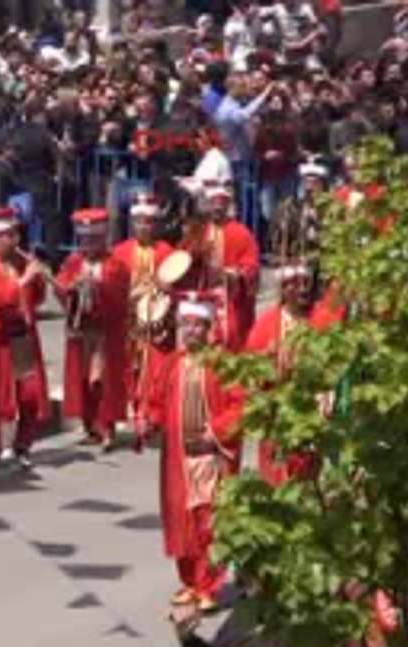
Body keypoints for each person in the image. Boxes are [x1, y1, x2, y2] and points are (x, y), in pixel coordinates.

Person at [145, 295, 242, 613]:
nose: (191, 331)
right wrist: (150, 419)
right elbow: (156, 399)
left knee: (209, 523)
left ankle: (210, 586)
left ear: (209, 328)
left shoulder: (222, 364)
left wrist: (217, 431)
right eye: (186, 324)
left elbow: (239, 406)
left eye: (198, 325)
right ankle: (190, 582)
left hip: (211, 455)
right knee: (180, 521)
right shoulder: (172, 362)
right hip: (178, 457)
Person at [241, 264, 344, 487]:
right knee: (276, 480)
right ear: (284, 290)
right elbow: (250, 373)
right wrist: (268, 364)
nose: (303, 290)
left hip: (312, 413)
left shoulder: (324, 319)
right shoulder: (265, 325)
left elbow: (338, 362)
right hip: (276, 415)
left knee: (307, 482)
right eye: (296, 285)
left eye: (307, 284)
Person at [0, 207, 52, 469]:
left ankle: (23, 444)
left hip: (23, 337)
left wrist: (39, 279)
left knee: (29, 393)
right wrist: (23, 281)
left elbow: (36, 299)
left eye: (17, 234)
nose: (17, 241)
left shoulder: (20, 261)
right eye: (11, 235)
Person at [55, 208, 132, 450]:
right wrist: (71, 289)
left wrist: (98, 287)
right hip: (81, 330)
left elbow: (120, 295)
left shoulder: (115, 265)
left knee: (103, 381)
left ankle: (106, 427)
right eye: (84, 239)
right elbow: (61, 289)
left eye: (93, 239)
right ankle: (90, 426)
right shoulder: (73, 263)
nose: (88, 244)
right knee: (81, 379)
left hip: (105, 331)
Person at [113, 195, 175, 437]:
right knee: (129, 368)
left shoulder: (167, 251)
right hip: (128, 320)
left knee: (155, 368)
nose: (143, 226)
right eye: (139, 221)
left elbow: (174, 286)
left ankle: (152, 414)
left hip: (156, 322)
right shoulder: (120, 252)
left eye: (148, 222)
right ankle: (132, 410)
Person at [186, 180, 260, 351]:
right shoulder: (198, 231)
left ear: (228, 206)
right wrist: (194, 256)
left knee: (233, 335)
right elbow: (183, 260)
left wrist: (235, 274)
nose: (217, 208)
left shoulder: (242, 233)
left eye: (222, 204)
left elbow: (251, 267)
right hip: (203, 294)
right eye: (213, 203)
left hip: (230, 299)